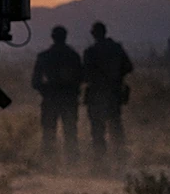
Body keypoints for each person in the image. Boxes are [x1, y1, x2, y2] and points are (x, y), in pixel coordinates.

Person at [82, 21, 134, 164]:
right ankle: (119, 160)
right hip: (113, 94)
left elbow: (85, 75)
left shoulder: (90, 52)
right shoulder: (116, 49)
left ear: (94, 34)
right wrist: (117, 76)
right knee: (115, 128)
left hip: (97, 94)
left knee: (98, 131)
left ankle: (100, 163)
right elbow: (129, 67)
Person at [31, 25, 83, 164]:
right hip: (68, 99)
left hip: (51, 99)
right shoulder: (73, 56)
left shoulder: (45, 56)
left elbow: (35, 82)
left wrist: (47, 91)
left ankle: (49, 162)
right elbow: (81, 78)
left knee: (49, 133)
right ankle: (72, 162)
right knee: (70, 132)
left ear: (53, 37)